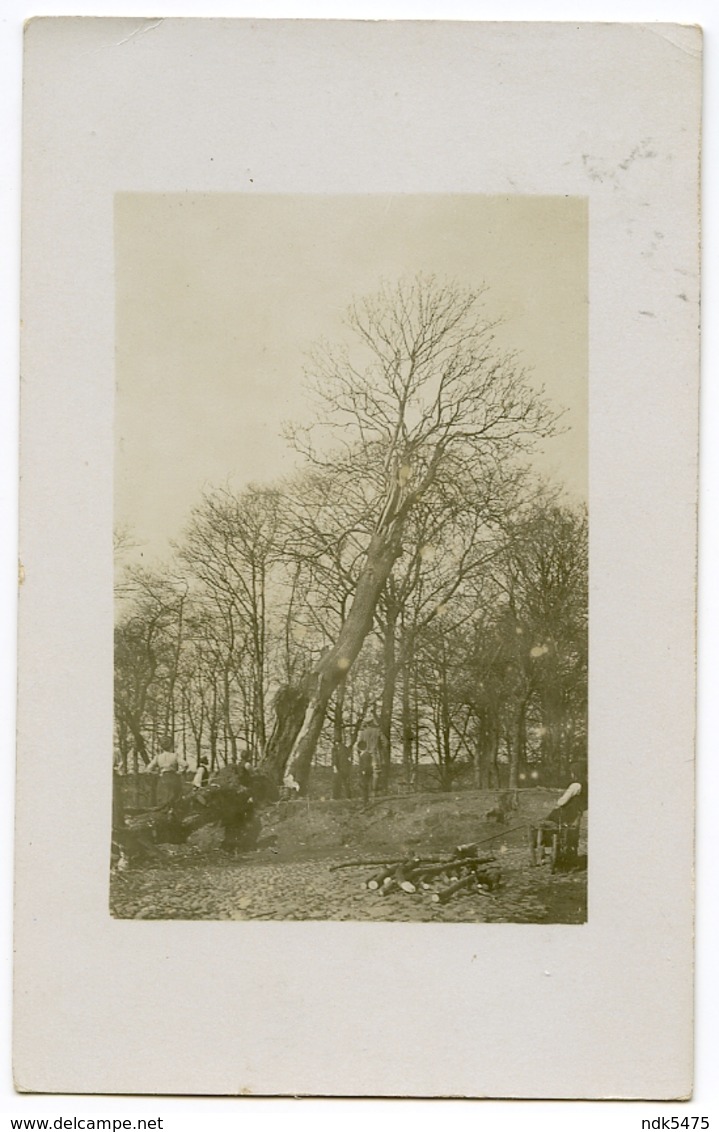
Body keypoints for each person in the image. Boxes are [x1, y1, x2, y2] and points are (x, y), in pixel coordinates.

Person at [146, 735, 185, 806]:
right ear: (171, 746)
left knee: (163, 800)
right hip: (174, 778)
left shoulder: (158, 757)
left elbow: (148, 769)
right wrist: (179, 772)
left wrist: (157, 773)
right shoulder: (175, 755)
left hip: (163, 779)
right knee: (175, 800)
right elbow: (185, 765)